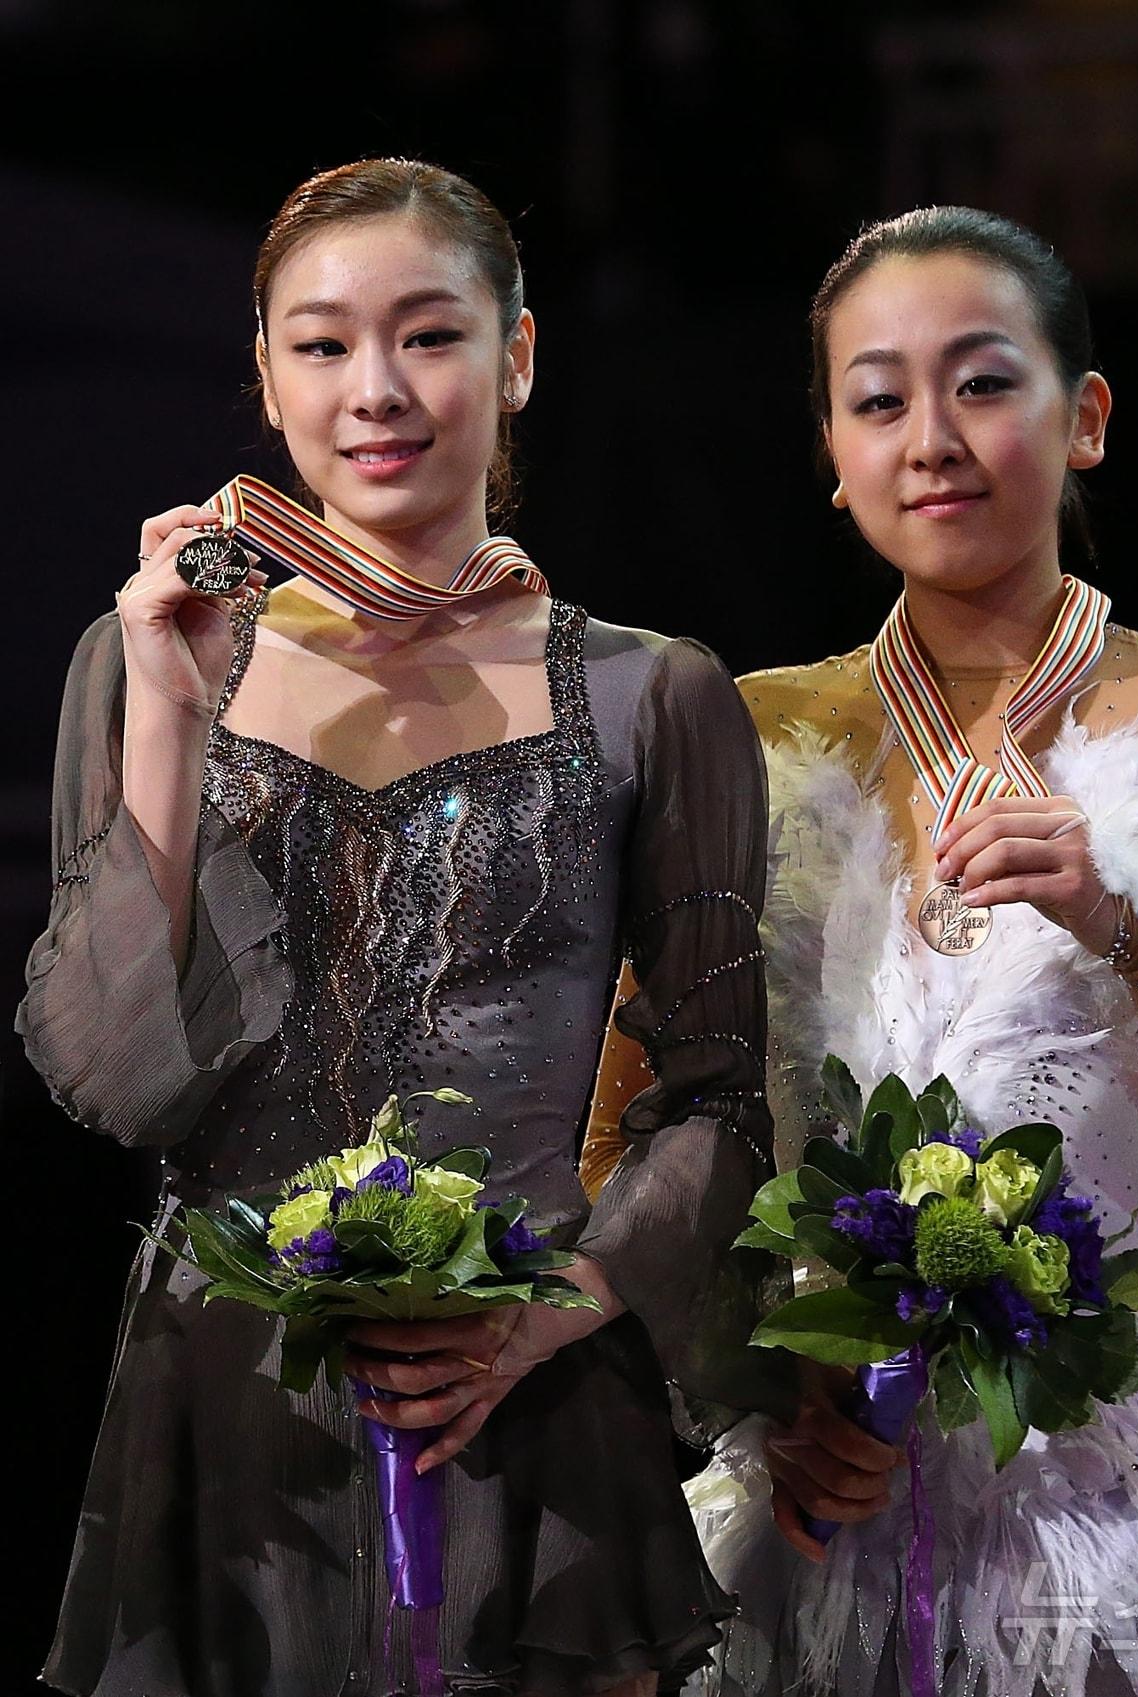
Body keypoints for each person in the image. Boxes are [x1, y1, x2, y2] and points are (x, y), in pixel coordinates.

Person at [580, 207, 1138, 1697]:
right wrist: (766, 1377)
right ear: (831, 449)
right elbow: (622, 1144)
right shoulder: (749, 733)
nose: (929, 436)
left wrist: (1133, 935)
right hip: (826, 1501)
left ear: (1085, 419)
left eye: (982, 382)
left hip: (1119, 1523)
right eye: (877, 398)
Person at [19, 157, 778, 1697]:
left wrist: (563, 1305)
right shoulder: (147, 656)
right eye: (321, 343)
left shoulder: (654, 690)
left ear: (518, 357)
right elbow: (115, 1080)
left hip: (524, 1415)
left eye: (428, 336)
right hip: (225, 1430)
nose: (375, 389)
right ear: (266, 374)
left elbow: (718, 1098)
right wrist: (167, 721)